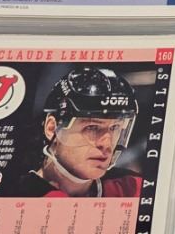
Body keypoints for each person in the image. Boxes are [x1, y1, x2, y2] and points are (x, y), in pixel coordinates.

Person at [13, 66, 143, 198]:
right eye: (92, 127)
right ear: (52, 129)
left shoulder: (132, 187)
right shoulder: (16, 194)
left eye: (115, 127)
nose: (106, 144)